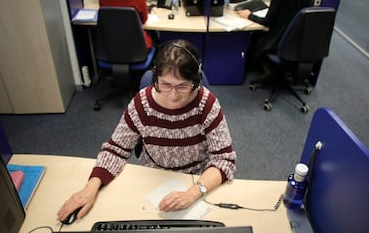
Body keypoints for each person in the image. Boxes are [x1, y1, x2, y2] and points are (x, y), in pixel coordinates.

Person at [57, 39, 237, 222]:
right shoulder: (142, 104)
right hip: (150, 177)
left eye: (182, 86)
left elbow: (224, 159)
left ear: (196, 81)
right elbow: (115, 150)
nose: (173, 96)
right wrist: (90, 188)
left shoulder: (206, 104)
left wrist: (192, 193)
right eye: (165, 84)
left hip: (196, 178)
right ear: (155, 78)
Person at [237, 0, 315, 74]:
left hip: (276, 44)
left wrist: (249, 15)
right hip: (297, 44)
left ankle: (262, 66)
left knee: (253, 36)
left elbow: (267, 22)